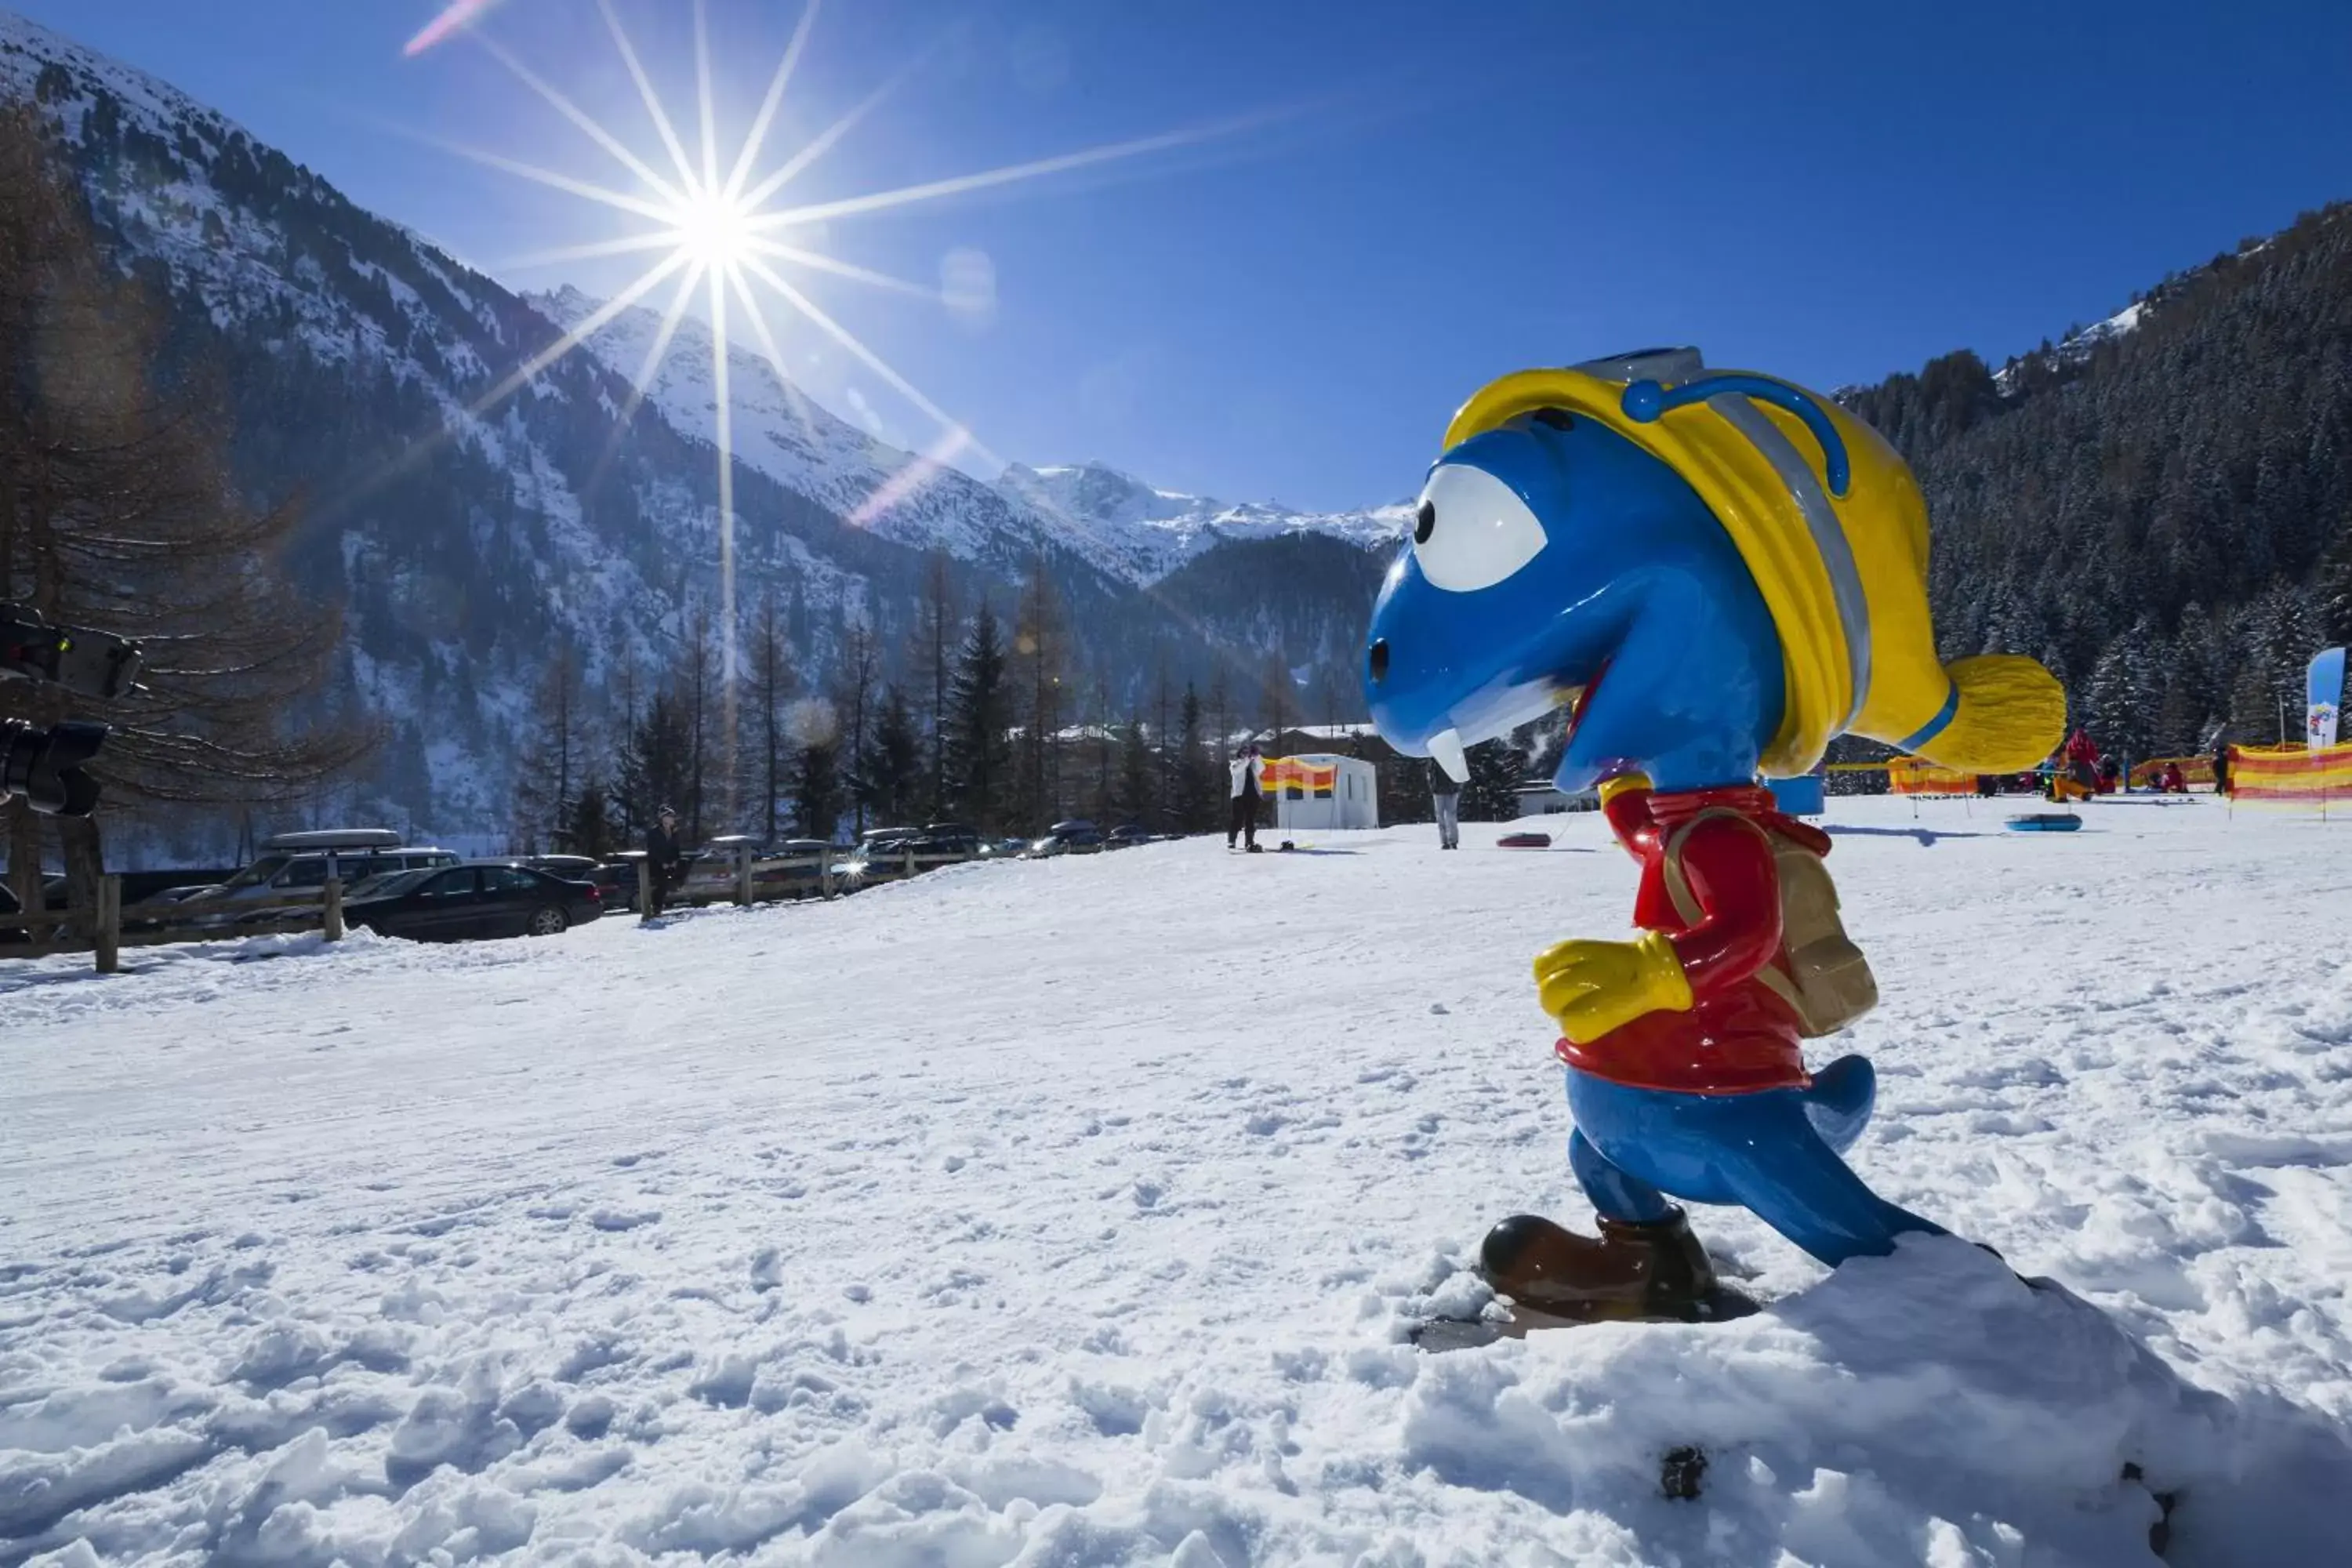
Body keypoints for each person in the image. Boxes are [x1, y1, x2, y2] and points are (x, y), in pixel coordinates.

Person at [644, 804, 684, 916]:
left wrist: (676, 860)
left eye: (673, 817)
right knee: (661, 884)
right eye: (670, 816)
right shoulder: (654, 832)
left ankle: (676, 884)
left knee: (684, 864)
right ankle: (657, 908)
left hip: (671, 862)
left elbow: (676, 848)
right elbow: (652, 850)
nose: (672, 819)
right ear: (663, 818)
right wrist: (663, 863)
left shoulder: (674, 832)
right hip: (657, 864)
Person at [1227, 745, 1264, 851]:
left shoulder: (1252, 765)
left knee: (1250, 820)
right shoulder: (1235, 763)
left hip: (1253, 794)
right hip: (1239, 795)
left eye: (1248, 752)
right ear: (1240, 754)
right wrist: (1247, 759)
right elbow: (1237, 771)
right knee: (1237, 819)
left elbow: (1261, 769)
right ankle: (1232, 841)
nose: (1246, 754)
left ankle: (1249, 841)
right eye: (1244, 753)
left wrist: (1257, 757)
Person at [1431, 760, 1462, 849]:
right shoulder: (1433, 758)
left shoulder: (1451, 755)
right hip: (1438, 790)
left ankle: (1452, 841)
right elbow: (1431, 772)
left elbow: (1458, 771)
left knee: (1450, 816)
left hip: (1451, 790)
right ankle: (1445, 841)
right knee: (1441, 816)